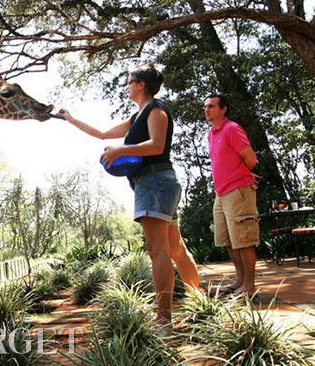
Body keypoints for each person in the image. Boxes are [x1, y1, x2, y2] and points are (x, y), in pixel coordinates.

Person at [58, 63, 201, 325]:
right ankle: (201, 302)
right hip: (159, 183)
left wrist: (120, 151)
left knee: (157, 250)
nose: (126, 86)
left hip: (154, 181)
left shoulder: (156, 110)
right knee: (174, 248)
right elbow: (101, 133)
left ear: (141, 85)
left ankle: (163, 317)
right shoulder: (137, 117)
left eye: (129, 82)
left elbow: (157, 145)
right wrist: (71, 119)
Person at [204, 94, 259, 296]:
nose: (207, 110)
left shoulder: (231, 129)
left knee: (243, 240)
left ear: (223, 109)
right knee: (227, 240)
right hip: (221, 194)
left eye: (211, 106)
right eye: (205, 107)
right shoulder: (211, 134)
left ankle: (249, 286)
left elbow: (250, 159)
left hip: (238, 190)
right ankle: (240, 280)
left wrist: (240, 176)